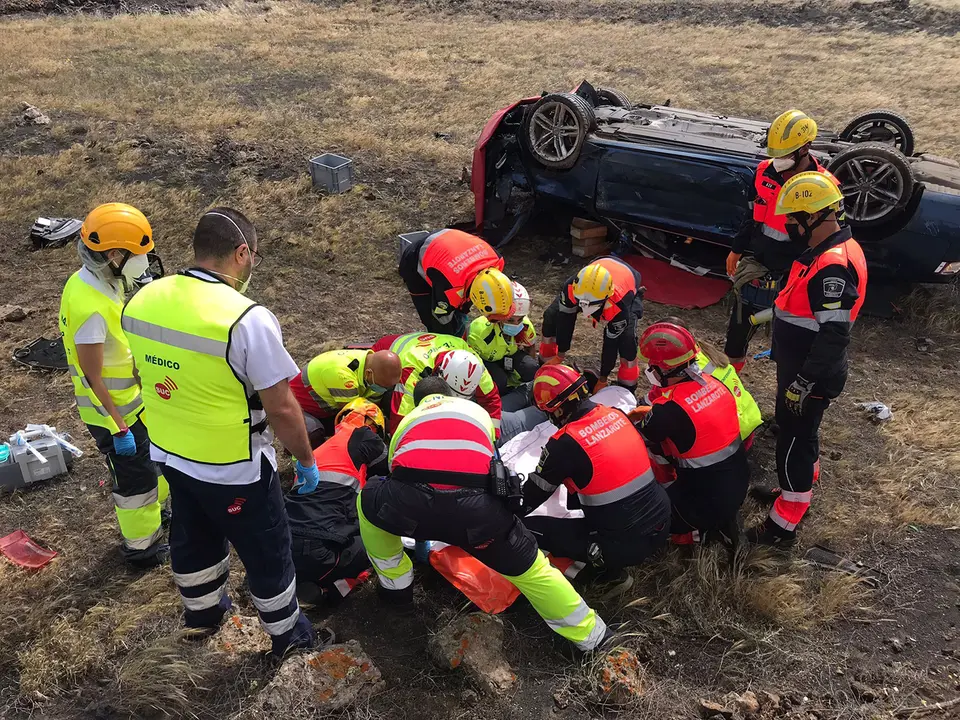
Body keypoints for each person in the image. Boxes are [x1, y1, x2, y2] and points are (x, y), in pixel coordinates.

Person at [122, 207, 323, 655]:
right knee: (268, 550)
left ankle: (202, 615)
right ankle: (288, 635)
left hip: (170, 453)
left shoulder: (142, 300)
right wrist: (306, 461)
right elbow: (283, 408)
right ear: (242, 252)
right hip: (234, 468)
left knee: (192, 536)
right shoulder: (246, 319)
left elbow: (146, 370)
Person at [357, 375, 611, 653]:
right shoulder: (476, 412)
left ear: (419, 402)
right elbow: (492, 462)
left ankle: (397, 590)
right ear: (453, 395)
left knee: (368, 500)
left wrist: (421, 535)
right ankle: (595, 638)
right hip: (478, 514)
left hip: (411, 505)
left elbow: (399, 472)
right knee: (534, 571)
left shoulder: (408, 420)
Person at [746, 172, 867, 548]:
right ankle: (796, 492)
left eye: (794, 220)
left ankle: (783, 526)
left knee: (794, 444)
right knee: (803, 435)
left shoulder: (832, 265)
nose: (790, 228)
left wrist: (803, 383)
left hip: (810, 375)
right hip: (802, 368)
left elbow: (834, 335)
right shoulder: (825, 249)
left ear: (815, 216)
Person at [58, 203, 168, 569]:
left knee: (152, 463)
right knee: (135, 483)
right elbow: (92, 375)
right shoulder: (90, 306)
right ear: (114, 255)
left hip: (131, 404)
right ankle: (142, 549)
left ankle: (160, 516)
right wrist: (119, 427)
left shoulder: (95, 281)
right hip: (114, 414)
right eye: (137, 255)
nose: (144, 261)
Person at [520, 364, 671, 598]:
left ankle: (603, 577)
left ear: (557, 411)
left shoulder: (564, 444)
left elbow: (530, 498)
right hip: (663, 520)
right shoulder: (615, 414)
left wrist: (501, 503)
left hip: (626, 546)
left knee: (529, 528)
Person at [724, 110, 835, 372]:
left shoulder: (823, 186)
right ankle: (730, 382)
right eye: (775, 154)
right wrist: (736, 250)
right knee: (737, 332)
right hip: (760, 262)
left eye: (785, 154)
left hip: (795, 271)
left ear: (805, 148)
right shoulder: (764, 172)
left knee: (788, 339)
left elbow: (828, 237)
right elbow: (752, 215)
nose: (778, 161)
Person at [635, 322, 749, 546]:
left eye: (650, 365)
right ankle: (720, 519)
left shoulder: (668, 411)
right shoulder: (714, 383)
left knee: (642, 515)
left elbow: (643, 433)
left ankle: (697, 533)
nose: (648, 370)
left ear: (662, 369)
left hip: (706, 502)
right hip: (738, 483)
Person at [285, 399, 388, 607]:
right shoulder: (362, 435)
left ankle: (301, 584)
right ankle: (329, 591)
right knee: (381, 545)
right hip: (323, 550)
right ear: (373, 426)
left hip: (284, 546)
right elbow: (390, 467)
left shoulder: (316, 452)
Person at [650, 317, 762, 448]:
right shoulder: (701, 351)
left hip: (732, 436)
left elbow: (661, 405)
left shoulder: (679, 370)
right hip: (748, 420)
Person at [540, 256, 643, 391]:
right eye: (581, 304)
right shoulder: (571, 286)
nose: (585, 311)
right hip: (600, 264)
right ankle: (546, 362)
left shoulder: (620, 303)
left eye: (591, 305)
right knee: (551, 315)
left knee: (627, 340)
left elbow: (610, 343)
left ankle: (627, 386)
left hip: (628, 278)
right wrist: (561, 354)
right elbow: (565, 320)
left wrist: (603, 378)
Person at [372, 332, 503, 436]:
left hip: (426, 343)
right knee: (386, 401)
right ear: (438, 375)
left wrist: (493, 436)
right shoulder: (414, 370)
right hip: (385, 353)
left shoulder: (475, 365)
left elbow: (491, 400)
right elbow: (401, 419)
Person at [397, 228, 513, 337]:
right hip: (414, 259)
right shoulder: (451, 288)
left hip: (447, 239)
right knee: (430, 317)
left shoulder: (497, 260)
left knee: (458, 311)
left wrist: (462, 309)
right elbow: (441, 320)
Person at [289, 348, 401, 446]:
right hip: (299, 409)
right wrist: (390, 428)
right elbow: (355, 417)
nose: (383, 389)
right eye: (381, 385)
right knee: (313, 434)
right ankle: (301, 463)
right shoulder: (343, 376)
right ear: (369, 373)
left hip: (330, 406)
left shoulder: (371, 363)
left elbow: (374, 399)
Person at [465, 280, 538, 411]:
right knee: (499, 381)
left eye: (520, 319)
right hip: (485, 361)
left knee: (531, 368)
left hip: (509, 356)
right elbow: (470, 361)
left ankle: (516, 389)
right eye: (510, 320)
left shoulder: (526, 326)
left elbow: (531, 347)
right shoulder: (478, 332)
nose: (516, 324)